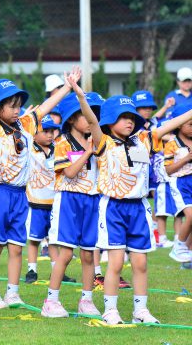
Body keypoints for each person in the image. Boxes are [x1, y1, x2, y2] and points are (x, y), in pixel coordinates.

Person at [67, 74, 192, 325]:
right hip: (113, 207)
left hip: (139, 208)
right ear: (110, 120)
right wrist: (80, 95)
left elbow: (171, 124)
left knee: (141, 262)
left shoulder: (144, 140)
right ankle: (110, 309)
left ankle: (140, 310)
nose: (129, 121)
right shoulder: (103, 142)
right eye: (123, 117)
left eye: (132, 117)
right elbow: (91, 119)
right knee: (115, 263)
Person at [0, 61, 81, 309]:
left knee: (16, 247)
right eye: (11, 105)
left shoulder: (25, 124)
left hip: (20, 194)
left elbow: (46, 106)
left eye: (18, 105)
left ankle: (12, 292)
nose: (16, 109)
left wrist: (68, 87)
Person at [41, 92, 103, 318]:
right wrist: (87, 152)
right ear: (71, 118)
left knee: (89, 255)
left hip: (92, 200)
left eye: (93, 114)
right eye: (84, 115)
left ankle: (86, 300)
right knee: (66, 254)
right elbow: (69, 172)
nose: (90, 119)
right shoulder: (62, 143)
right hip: (69, 200)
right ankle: (50, 301)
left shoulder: (98, 140)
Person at [24, 114, 58, 284]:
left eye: (52, 131)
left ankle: (57, 271)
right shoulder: (29, 149)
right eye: (45, 131)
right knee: (34, 239)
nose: (50, 135)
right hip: (35, 202)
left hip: (54, 202)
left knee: (53, 239)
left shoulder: (58, 148)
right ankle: (32, 270)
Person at [165, 104, 192, 263]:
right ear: (179, 124)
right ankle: (179, 246)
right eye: (190, 124)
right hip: (181, 183)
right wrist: (186, 159)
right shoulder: (172, 144)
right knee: (190, 215)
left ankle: (187, 250)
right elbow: (168, 170)